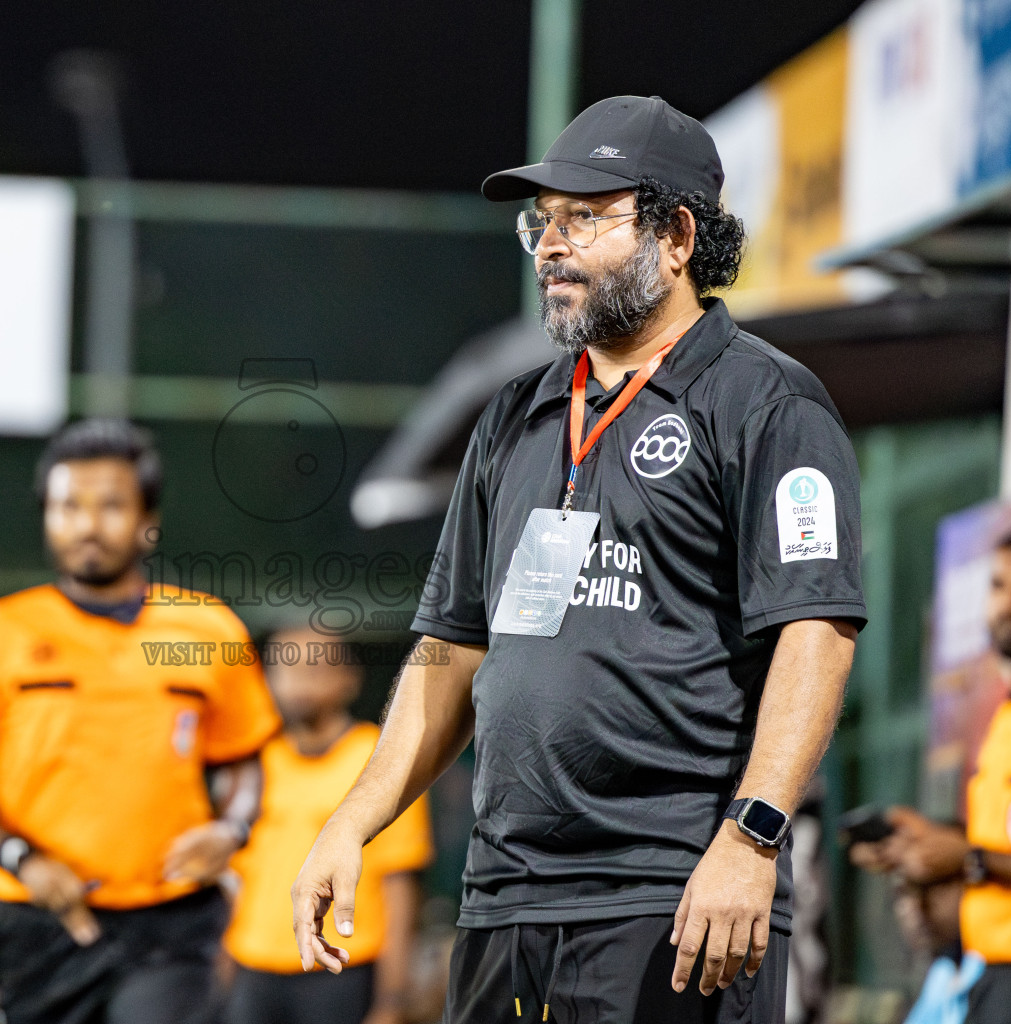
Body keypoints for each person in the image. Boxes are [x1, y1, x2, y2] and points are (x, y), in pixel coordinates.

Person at [291, 94, 865, 1024]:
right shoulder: (514, 416)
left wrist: (753, 838)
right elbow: (451, 647)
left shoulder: (767, 403)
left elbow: (816, 630)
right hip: (506, 898)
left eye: (584, 218)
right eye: (542, 222)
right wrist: (351, 822)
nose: (551, 246)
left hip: (674, 894)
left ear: (677, 236)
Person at [0, 418, 281, 1024]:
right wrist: (18, 857)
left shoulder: (208, 630)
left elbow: (244, 762)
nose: (87, 523)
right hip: (40, 923)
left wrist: (232, 831)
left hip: (171, 920)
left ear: (147, 520)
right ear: (46, 518)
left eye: (110, 505)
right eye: (67, 506)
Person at [851, 529, 1011, 1022]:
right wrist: (929, 842)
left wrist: (969, 858)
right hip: (993, 973)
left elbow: (989, 856)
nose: (1008, 605)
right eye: (997, 586)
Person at [223, 626, 433, 1024]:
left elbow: (399, 885)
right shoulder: (257, 765)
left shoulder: (380, 761)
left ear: (348, 679)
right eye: (286, 670)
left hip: (341, 969)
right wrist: (224, 972)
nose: (299, 681)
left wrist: (392, 1000)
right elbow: (236, 881)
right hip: (253, 968)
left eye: (315, 668)